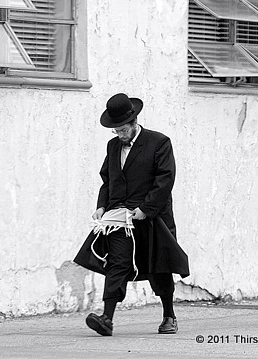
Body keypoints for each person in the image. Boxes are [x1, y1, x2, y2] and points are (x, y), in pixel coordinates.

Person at [74, 93, 189, 336]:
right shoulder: (113, 145)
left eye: (123, 129)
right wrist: (102, 205)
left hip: (152, 217)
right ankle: (107, 318)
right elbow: (108, 179)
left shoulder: (159, 142)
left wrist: (145, 210)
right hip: (119, 218)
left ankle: (169, 315)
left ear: (134, 121)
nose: (119, 134)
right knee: (117, 263)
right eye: (115, 130)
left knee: (159, 266)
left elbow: (165, 179)